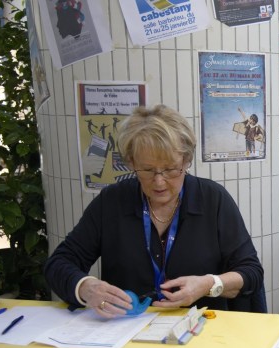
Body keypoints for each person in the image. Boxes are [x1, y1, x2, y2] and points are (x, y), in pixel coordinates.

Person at [45, 104, 265, 318]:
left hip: (201, 329)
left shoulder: (213, 200)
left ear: (186, 160)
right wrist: (85, 287)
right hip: (125, 330)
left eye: (170, 169)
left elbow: (251, 272)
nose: (159, 181)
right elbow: (59, 263)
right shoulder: (112, 201)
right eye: (147, 170)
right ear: (132, 162)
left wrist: (209, 284)